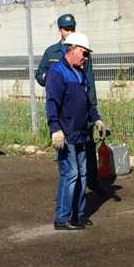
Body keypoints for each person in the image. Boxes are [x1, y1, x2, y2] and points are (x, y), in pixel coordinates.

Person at [36, 14, 107, 197]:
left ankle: (91, 183)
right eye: (67, 29)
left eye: (72, 28)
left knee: (87, 147)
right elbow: (40, 75)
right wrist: (49, 80)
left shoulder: (82, 51)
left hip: (82, 107)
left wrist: (93, 110)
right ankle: (66, 192)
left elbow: (87, 79)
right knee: (67, 156)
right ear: (59, 30)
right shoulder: (52, 52)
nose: (70, 32)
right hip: (63, 107)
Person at [45, 32, 107, 230]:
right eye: (84, 53)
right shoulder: (57, 72)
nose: (86, 58)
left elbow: (87, 102)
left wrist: (96, 119)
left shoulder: (79, 74)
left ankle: (78, 214)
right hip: (66, 133)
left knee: (81, 174)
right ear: (72, 49)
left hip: (80, 132)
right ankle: (61, 217)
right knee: (70, 174)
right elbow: (52, 104)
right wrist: (55, 130)